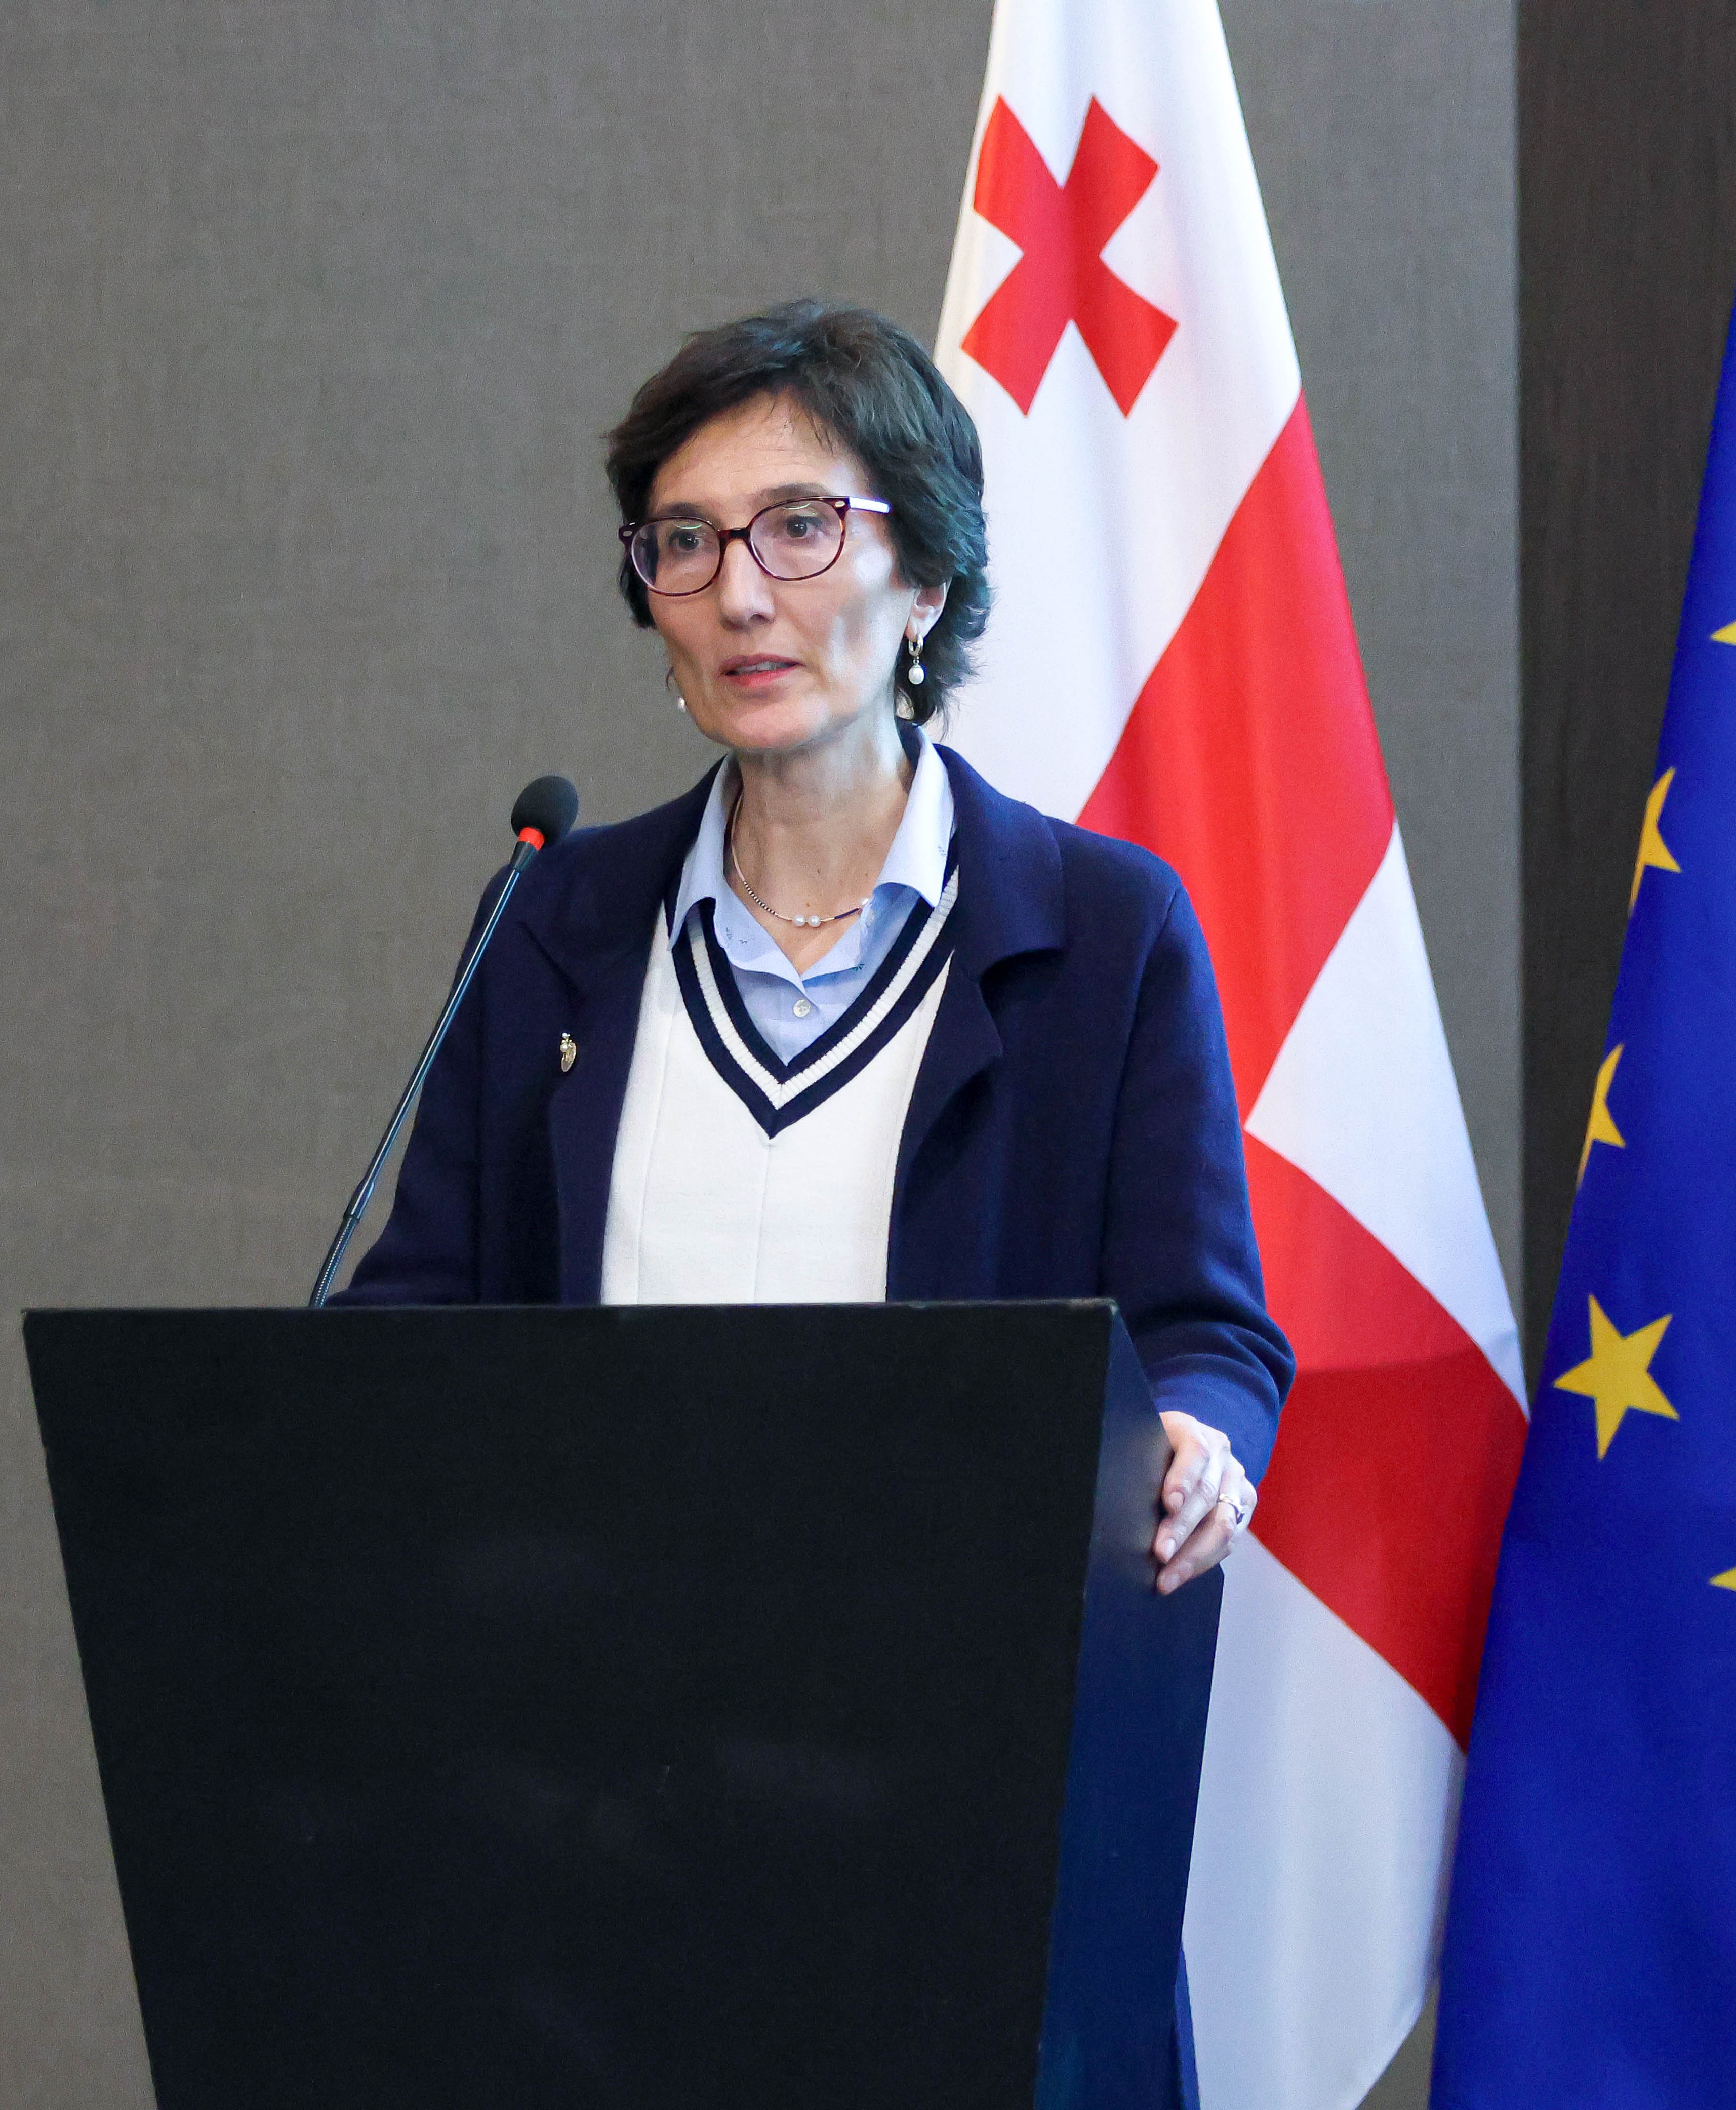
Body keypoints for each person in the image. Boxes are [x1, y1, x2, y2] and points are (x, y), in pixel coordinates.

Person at [338, 299, 1287, 1591]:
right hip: (588, 1666)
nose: (738, 596)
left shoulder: (1106, 933)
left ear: (927, 579)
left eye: (799, 528)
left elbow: (1203, 1332)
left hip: (959, 1644)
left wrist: (1193, 1437)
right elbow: (416, 1321)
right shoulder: (555, 923)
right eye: (687, 541)